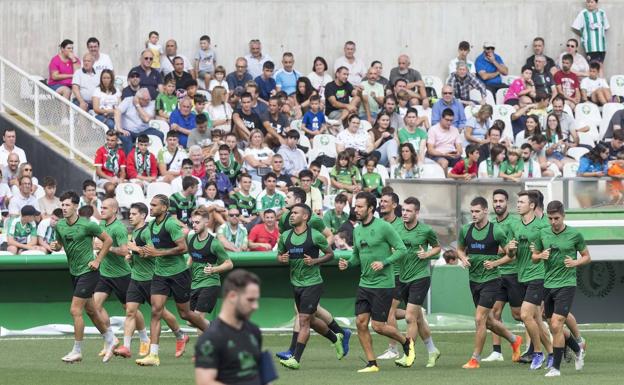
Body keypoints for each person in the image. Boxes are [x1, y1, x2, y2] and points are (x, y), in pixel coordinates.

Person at [338, 192, 414, 372]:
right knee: (360, 323)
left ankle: (406, 342)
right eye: (355, 206)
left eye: (360, 206)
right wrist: (347, 263)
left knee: (378, 326)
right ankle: (372, 363)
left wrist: (384, 262)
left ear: (371, 208)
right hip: (364, 284)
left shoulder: (384, 227)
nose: (356, 209)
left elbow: (402, 250)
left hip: (383, 285)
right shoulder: (356, 230)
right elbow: (356, 256)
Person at [135, 195, 209, 366]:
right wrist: (140, 251)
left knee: (186, 314)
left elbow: (183, 248)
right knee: (156, 311)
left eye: (154, 205)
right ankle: (153, 355)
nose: (151, 207)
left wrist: (158, 253)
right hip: (160, 274)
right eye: (150, 204)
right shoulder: (151, 225)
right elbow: (151, 249)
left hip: (178, 274)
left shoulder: (171, 224)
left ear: (164, 207)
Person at [456, 196, 523, 369]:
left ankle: (475, 359)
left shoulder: (497, 231)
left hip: (492, 280)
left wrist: (495, 263)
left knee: (479, 319)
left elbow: (511, 255)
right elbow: (460, 249)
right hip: (474, 280)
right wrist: (463, 259)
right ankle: (515, 340)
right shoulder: (465, 230)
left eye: (477, 211)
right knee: (489, 321)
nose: (474, 214)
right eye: (471, 211)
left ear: (486, 211)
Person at [112, 202, 185, 359]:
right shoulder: (135, 233)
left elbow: (153, 252)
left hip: (151, 278)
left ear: (143, 215)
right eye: (129, 214)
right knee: (130, 311)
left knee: (162, 313)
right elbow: (139, 254)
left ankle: (180, 335)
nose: (130, 216)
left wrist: (135, 249)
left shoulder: (147, 232)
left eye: (133, 214)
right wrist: (131, 257)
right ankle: (126, 346)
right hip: (136, 278)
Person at [277, 203, 345, 369]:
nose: (291, 215)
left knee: (304, 320)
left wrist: (315, 261)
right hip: (296, 283)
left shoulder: (316, 236)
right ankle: (335, 338)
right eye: (290, 213)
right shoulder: (285, 236)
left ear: (305, 216)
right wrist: (282, 259)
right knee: (311, 320)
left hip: (313, 283)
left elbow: (330, 254)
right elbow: (279, 255)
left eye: (295, 213)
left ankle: (295, 359)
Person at [50, 191, 114, 363]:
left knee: (75, 310)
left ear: (76, 206)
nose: (64, 208)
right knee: (91, 311)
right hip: (74, 272)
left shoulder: (88, 225)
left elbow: (108, 240)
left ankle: (77, 351)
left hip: (89, 272)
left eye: (67, 205)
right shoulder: (60, 226)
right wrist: (56, 246)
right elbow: (60, 245)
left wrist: (98, 260)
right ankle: (110, 338)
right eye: (62, 205)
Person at [532, 200, 590, 377]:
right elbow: (534, 257)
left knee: (556, 324)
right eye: (550, 218)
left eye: (556, 218)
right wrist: (540, 255)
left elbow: (587, 257)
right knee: (553, 326)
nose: (553, 222)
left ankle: (555, 368)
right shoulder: (542, 233)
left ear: (563, 216)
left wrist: (575, 262)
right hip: (548, 284)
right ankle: (578, 349)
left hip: (566, 284)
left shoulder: (574, 234)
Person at [506, 191, 554, 369]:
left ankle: (537, 353)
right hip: (522, 276)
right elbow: (512, 255)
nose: (518, 205)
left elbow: (550, 251)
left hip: (538, 275)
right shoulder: (515, 226)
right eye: (517, 201)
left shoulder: (542, 226)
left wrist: (540, 253)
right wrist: (510, 249)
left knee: (525, 314)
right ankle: (552, 353)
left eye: (521, 202)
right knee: (536, 320)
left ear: (532, 206)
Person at [194, 269, 266, 385]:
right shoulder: (210, 338)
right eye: (250, 300)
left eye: (256, 300)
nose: (255, 306)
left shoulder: (254, 331)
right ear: (232, 296)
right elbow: (205, 382)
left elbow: (263, 376)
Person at [393, 197, 442, 368]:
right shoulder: (396, 227)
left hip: (420, 277)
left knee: (409, 317)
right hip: (403, 277)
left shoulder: (426, 230)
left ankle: (409, 354)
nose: (405, 213)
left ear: (417, 212)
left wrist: (428, 254)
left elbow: (437, 247)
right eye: (403, 210)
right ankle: (432, 350)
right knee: (418, 319)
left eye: (409, 211)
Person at [481, 190, 524, 362]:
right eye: (495, 201)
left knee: (520, 314)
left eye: (501, 201)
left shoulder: (514, 223)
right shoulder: (491, 224)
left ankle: (541, 335)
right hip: (497, 275)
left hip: (514, 273)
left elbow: (515, 248)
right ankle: (497, 351)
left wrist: (496, 249)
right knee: (493, 313)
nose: (498, 204)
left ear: (507, 203)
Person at [91, 198, 134, 358]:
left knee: (130, 310)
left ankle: (144, 338)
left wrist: (106, 247)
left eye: (105, 208)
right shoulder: (101, 224)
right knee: (94, 307)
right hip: (104, 274)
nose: (101, 210)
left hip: (122, 275)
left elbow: (124, 251)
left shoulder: (119, 228)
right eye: (101, 207)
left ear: (114, 210)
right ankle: (110, 339)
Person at [188, 206, 233, 325]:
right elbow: (192, 257)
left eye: (197, 222)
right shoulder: (190, 239)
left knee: (197, 318)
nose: (194, 225)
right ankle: (218, 327)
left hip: (210, 283)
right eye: (193, 222)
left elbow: (229, 264)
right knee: (192, 322)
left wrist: (214, 269)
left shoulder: (215, 243)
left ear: (207, 222)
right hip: (195, 283)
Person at [114, 88, 163, 154]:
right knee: (126, 139)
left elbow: (146, 119)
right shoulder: (128, 100)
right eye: (145, 100)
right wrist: (119, 128)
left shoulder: (151, 104)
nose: (148, 101)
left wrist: (137, 105)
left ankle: (160, 157)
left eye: (149, 99)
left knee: (160, 134)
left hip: (143, 130)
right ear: (138, 98)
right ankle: (130, 161)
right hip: (127, 130)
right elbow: (117, 111)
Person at [572, 0, 610, 74]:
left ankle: (602, 83)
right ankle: (594, 84)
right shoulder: (584, 13)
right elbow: (576, 27)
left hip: (601, 46)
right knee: (593, 67)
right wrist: (584, 36)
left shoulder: (602, 13)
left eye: (591, 2)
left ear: (596, 3)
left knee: (600, 66)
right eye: (588, 2)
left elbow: (605, 27)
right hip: (591, 46)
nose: (589, 4)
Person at [427, 108, 463, 173]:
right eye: (447, 120)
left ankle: (460, 182)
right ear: (441, 118)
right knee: (444, 162)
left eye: (451, 120)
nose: (449, 122)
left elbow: (459, 148)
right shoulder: (433, 130)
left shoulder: (455, 130)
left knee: (466, 163)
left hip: (451, 155)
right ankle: (446, 183)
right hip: (437, 155)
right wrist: (444, 154)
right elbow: (430, 150)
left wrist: (458, 153)